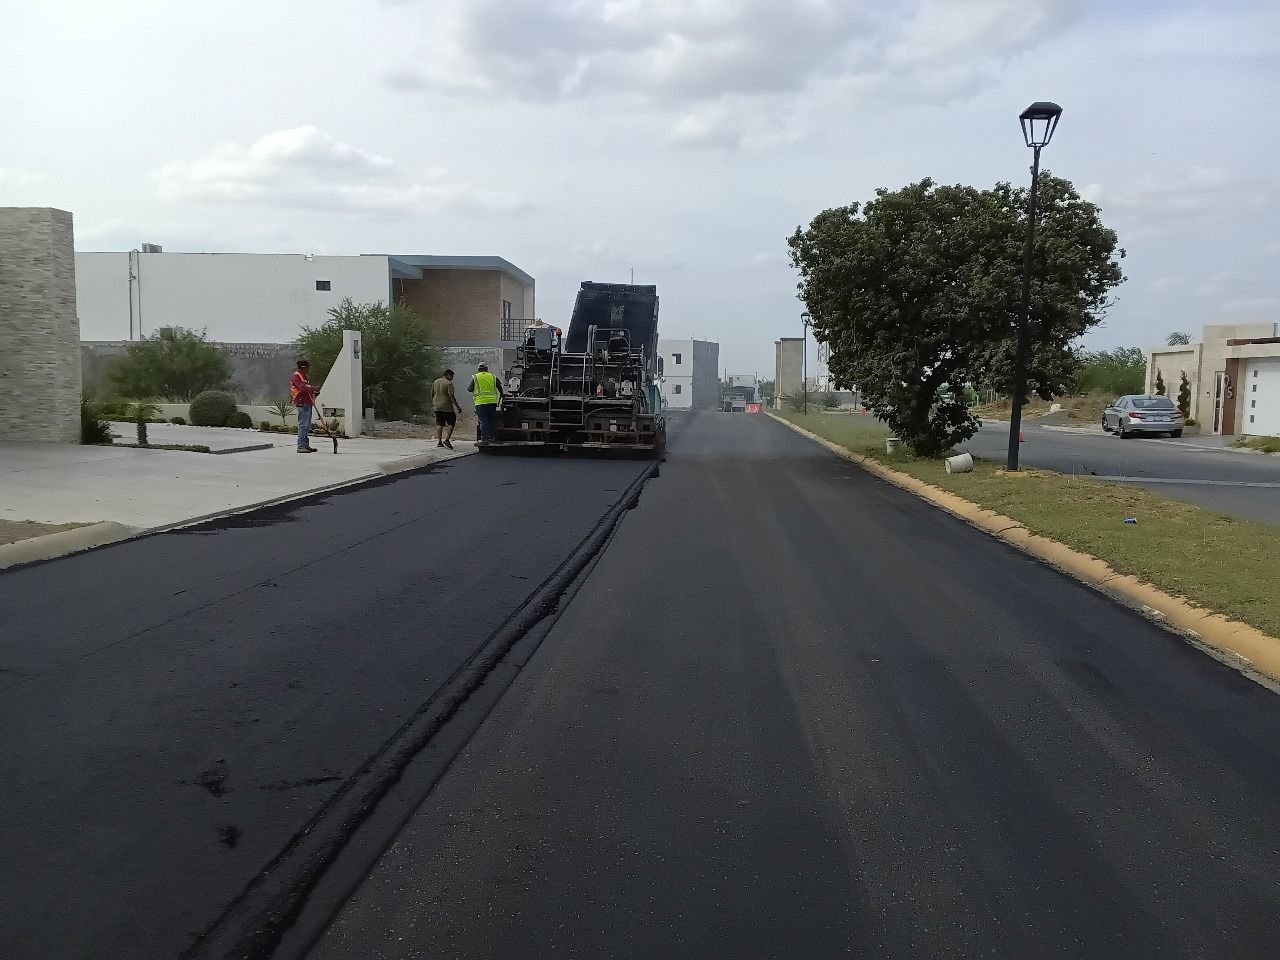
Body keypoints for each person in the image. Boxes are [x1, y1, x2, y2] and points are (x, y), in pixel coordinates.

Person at [290, 358, 320, 453]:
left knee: (306, 426)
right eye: (307, 367)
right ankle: (301, 446)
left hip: (307, 403)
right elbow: (302, 388)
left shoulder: (304, 377)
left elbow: (307, 389)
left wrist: (314, 392)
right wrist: (313, 388)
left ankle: (305, 445)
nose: (308, 369)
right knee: (303, 425)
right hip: (302, 403)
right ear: (303, 367)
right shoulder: (297, 376)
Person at [468, 362, 503, 442]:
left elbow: (469, 389)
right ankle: (492, 437)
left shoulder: (475, 377)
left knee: (483, 420)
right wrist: (502, 394)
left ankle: (485, 438)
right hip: (492, 402)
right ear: (487, 369)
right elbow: (499, 386)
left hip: (480, 402)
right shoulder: (493, 376)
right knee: (491, 420)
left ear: (478, 369)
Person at [431, 368, 462, 449]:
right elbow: (451, 396)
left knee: (439, 423)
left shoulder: (435, 381)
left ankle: (439, 442)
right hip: (447, 407)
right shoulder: (448, 383)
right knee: (451, 422)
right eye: (452, 376)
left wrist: (433, 403)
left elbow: (432, 393)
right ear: (448, 375)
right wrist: (457, 406)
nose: (452, 378)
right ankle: (447, 440)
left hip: (437, 406)